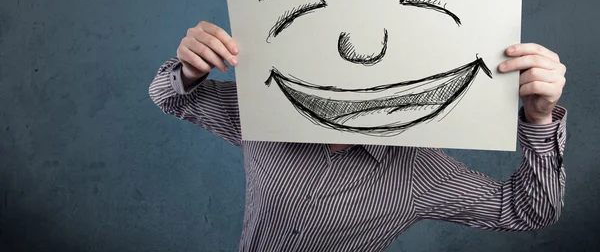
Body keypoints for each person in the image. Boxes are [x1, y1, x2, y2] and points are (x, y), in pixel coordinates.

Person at [149, 20, 567, 252]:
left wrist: (539, 118)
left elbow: (529, 211)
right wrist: (191, 68)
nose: (359, 62)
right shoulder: (266, 114)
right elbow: (170, 98)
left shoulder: (421, 172)